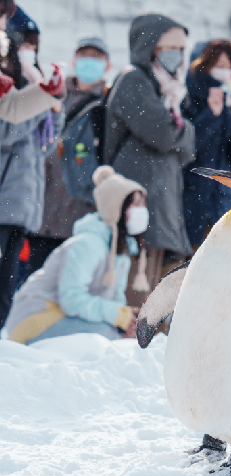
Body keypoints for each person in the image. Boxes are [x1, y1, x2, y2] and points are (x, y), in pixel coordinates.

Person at [104, 13, 195, 305]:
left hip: (161, 207)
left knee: (154, 299)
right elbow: (164, 134)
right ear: (149, 46)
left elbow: (187, 150)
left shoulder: (169, 90)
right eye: (169, 47)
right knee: (134, 293)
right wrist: (184, 132)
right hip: (138, 204)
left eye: (181, 49)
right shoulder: (134, 80)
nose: (177, 56)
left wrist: (180, 133)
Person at [2, 166, 147, 344]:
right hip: (36, 317)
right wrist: (116, 315)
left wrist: (124, 321)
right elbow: (71, 299)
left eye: (143, 205)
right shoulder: (86, 245)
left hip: (65, 318)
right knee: (104, 336)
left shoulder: (121, 252)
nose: (142, 211)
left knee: (118, 337)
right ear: (116, 208)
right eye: (136, 204)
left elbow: (112, 298)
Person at [24, 37, 112, 277]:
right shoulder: (54, 93)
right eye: (85, 56)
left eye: (96, 57)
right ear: (74, 60)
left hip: (82, 216)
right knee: (36, 287)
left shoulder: (110, 103)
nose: (89, 62)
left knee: (72, 286)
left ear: (108, 65)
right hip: (43, 212)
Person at [0, 13, 65, 328]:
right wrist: (37, 103)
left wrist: (53, 106)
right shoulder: (8, 81)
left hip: (24, 205)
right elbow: (5, 132)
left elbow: (46, 146)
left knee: (6, 291)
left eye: (33, 44)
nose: (28, 49)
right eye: (23, 41)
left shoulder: (34, 79)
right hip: (4, 200)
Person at [182, 39, 231, 248]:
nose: (226, 72)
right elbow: (186, 150)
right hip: (189, 205)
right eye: (219, 66)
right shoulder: (185, 103)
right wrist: (210, 115)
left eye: (230, 67)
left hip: (222, 206)